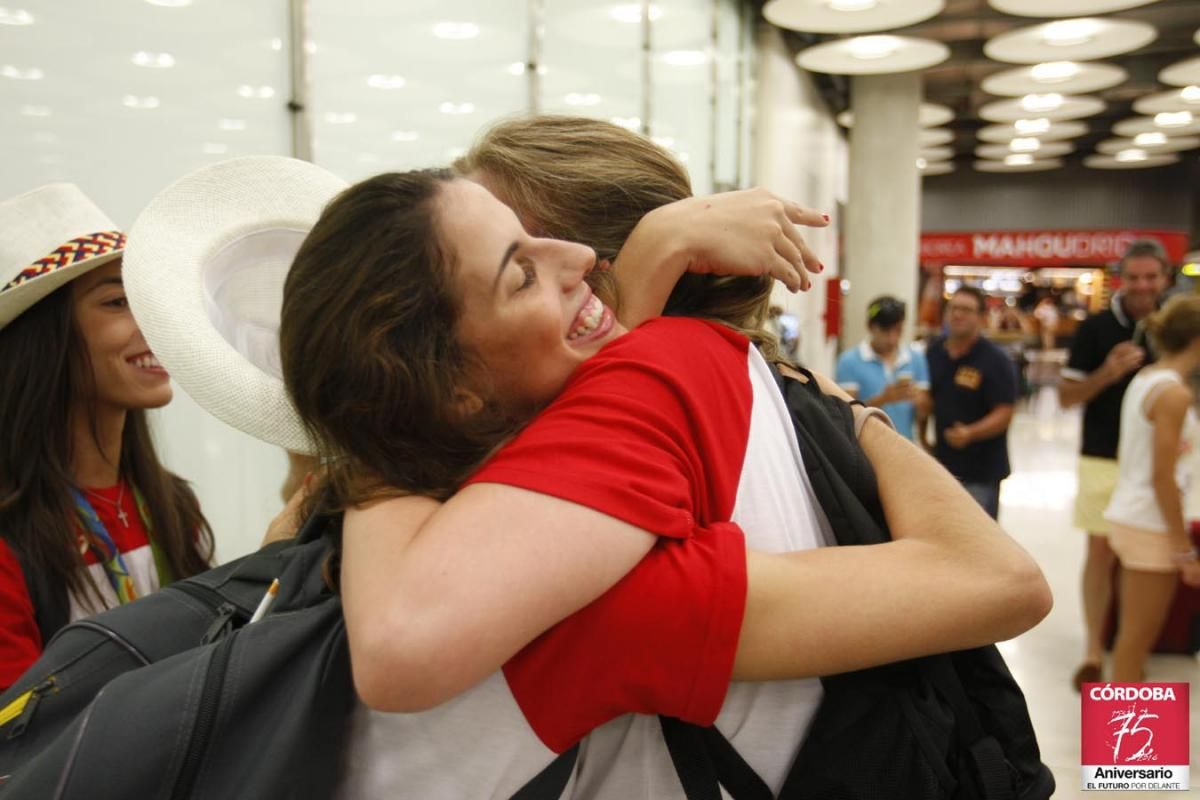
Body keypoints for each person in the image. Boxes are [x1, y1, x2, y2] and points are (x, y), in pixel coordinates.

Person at [275, 148, 1049, 794]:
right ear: (452, 389)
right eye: (520, 270)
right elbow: (1002, 581)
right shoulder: (596, 580)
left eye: (544, 239)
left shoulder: (380, 517)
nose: (582, 263)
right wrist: (855, 420)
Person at [0, 184, 214, 690]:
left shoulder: (169, 505)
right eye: (118, 302)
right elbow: (20, 738)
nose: (153, 324)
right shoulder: (12, 534)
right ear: (44, 341)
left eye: (147, 300)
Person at [1059, 239, 1170, 691]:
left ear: (1165, 278)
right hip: (1103, 457)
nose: (1143, 286)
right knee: (1102, 553)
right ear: (1122, 279)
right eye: (1135, 277)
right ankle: (1094, 649)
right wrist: (1108, 371)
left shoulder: (1177, 328)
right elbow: (1067, 397)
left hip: (1161, 465)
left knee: (1142, 560)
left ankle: (1129, 649)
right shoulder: (1096, 328)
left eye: (1151, 277)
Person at [1103, 294, 1200, 683]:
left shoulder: (1148, 379)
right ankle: (1123, 744)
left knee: (1133, 640)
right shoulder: (1174, 393)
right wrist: (1183, 549)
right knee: (1135, 643)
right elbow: (1163, 477)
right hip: (1151, 524)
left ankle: (1130, 741)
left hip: (1134, 516)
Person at [923, 286, 1018, 519]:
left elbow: (1005, 412)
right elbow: (927, 397)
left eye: (966, 310)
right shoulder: (934, 352)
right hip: (942, 467)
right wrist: (924, 436)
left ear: (981, 318)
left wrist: (970, 433)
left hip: (981, 472)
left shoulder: (996, 360)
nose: (958, 314)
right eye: (954, 308)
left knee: (978, 542)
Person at [835, 295, 930, 441]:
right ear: (870, 327)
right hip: (865, 447)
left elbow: (924, 414)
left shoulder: (916, 359)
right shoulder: (849, 361)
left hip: (905, 444)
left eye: (898, 330)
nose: (892, 339)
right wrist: (883, 399)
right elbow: (846, 414)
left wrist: (920, 401)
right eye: (885, 331)